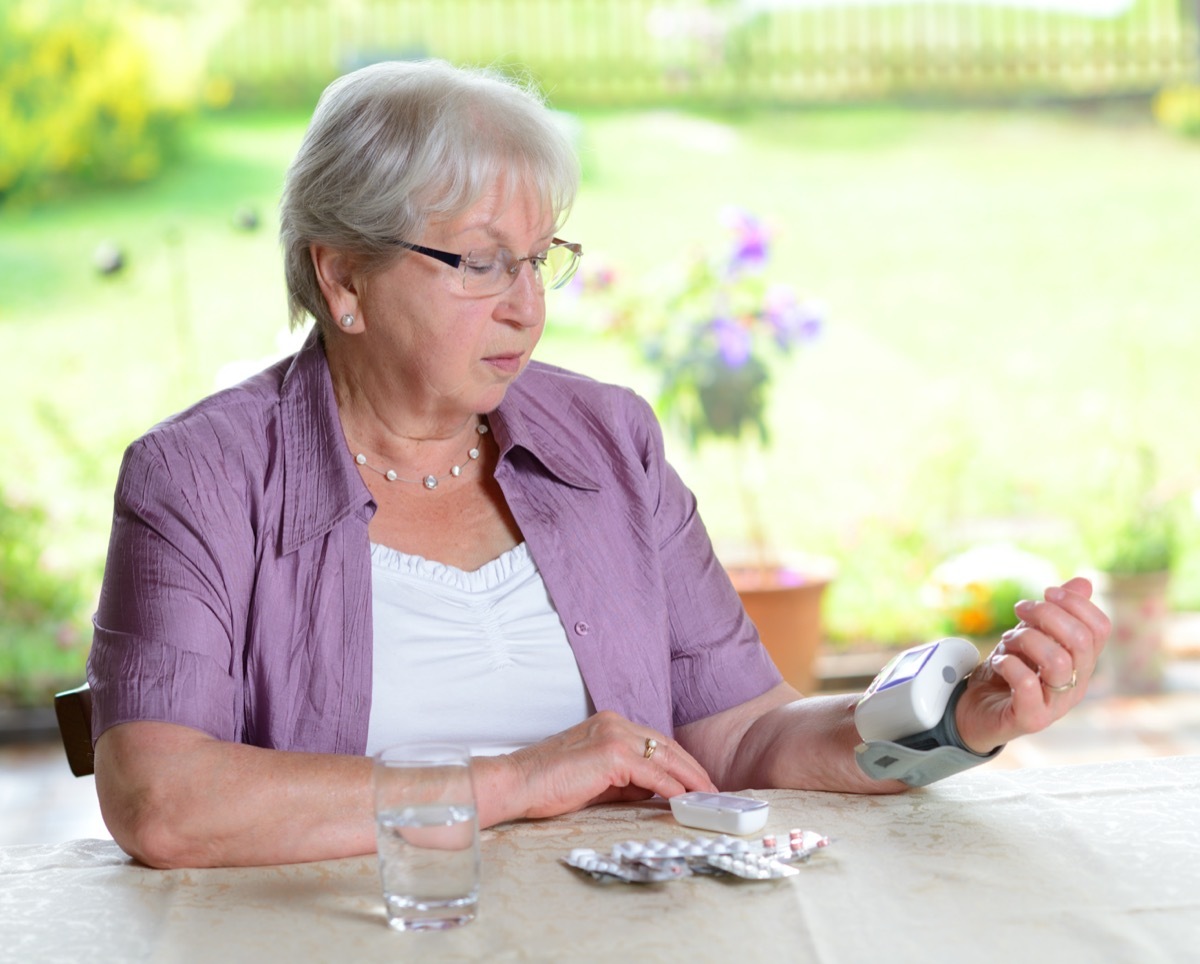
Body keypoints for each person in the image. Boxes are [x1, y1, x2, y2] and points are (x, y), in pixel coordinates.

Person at [87, 59, 1110, 870]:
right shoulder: (199, 480)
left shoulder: (610, 441)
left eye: (538, 258)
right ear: (343, 274)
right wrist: (520, 779)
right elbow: (163, 802)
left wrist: (949, 724)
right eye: (480, 261)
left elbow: (746, 738)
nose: (526, 303)